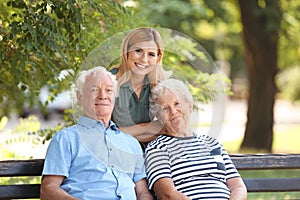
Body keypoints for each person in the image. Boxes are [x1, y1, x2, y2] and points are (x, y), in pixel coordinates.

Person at [40, 66, 153, 200]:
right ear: (79, 97)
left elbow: (142, 192)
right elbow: (48, 189)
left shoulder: (131, 143)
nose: (103, 96)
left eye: (109, 91)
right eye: (94, 90)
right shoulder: (66, 139)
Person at [145, 79, 247, 200]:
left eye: (177, 104)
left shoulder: (212, 144)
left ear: (189, 106)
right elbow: (167, 195)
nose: (173, 111)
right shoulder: (157, 148)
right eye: (165, 109)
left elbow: (238, 187)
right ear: (159, 117)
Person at [111, 27, 171, 143]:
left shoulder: (159, 85)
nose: (144, 60)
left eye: (151, 54)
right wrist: (148, 127)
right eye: (138, 51)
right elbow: (105, 133)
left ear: (158, 57)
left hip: (151, 153)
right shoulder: (109, 81)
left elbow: (169, 128)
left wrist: (124, 132)